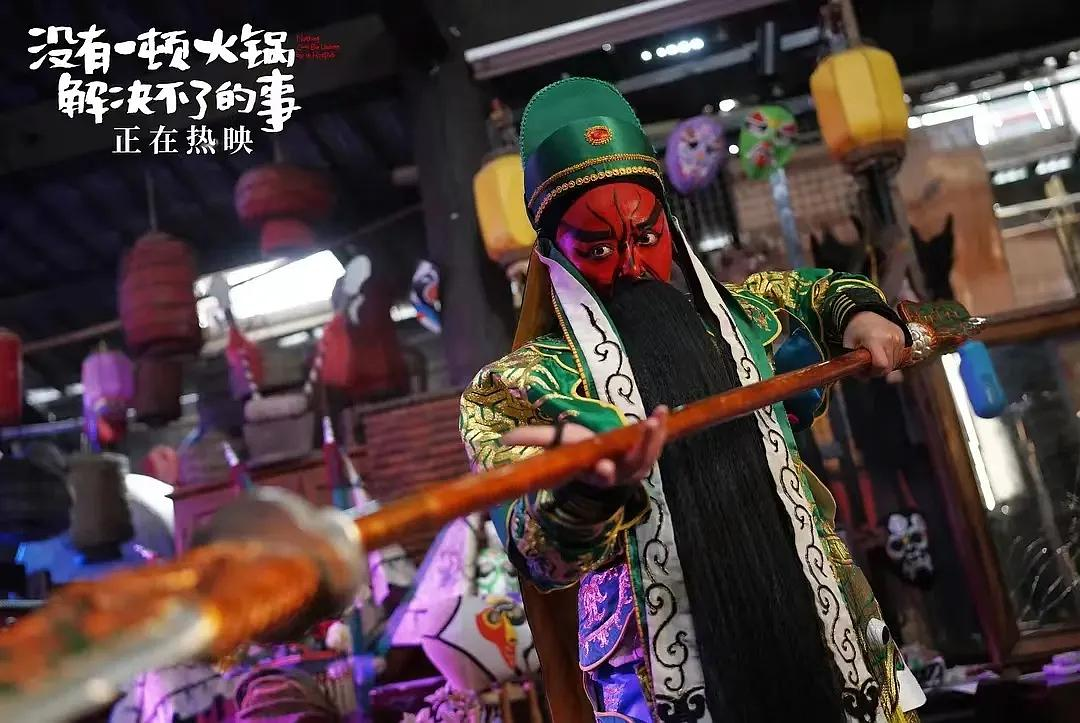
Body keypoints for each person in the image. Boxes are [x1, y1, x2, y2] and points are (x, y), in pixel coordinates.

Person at [459, 77, 926, 723]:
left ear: (672, 232)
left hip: (821, 636)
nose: (630, 265)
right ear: (553, 257)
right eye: (598, 248)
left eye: (646, 237)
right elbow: (538, 552)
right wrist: (587, 491)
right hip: (657, 683)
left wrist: (863, 317)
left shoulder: (748, 319)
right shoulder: (517, 388)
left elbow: (820, 292)